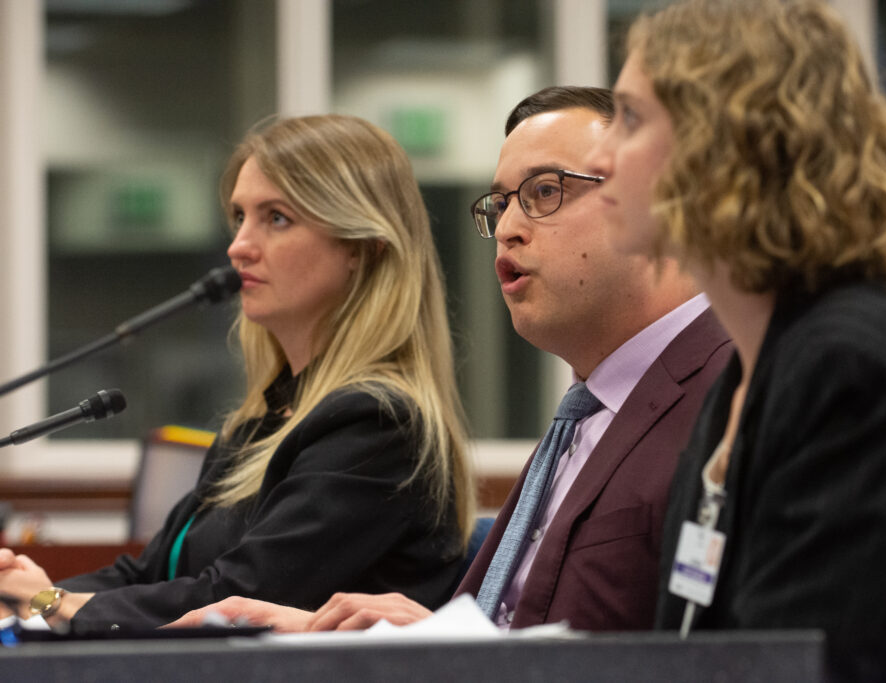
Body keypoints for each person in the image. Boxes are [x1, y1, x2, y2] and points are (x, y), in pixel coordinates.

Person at [170, 86, 732, 632]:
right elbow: (524, 632)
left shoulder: (738, 392)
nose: (507, 229)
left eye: (543, 192)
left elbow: (731, 660)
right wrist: (417, 636)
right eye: (501, 203)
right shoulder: (588, 414)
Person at [585, 1, 886, 681]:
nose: (598, 156)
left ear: (727, 142)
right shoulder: (748, 373)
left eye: (631, 118)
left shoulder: (849, 365)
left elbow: (801, 667)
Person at [0, 114, 475, 630]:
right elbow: (147, 573)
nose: (238, 246)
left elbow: (233, 601)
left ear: (362, 249)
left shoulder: (379, 424)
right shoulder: (266, 419)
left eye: (276, 218)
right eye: (239, 216)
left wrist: (47, 603)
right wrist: (20, 594)